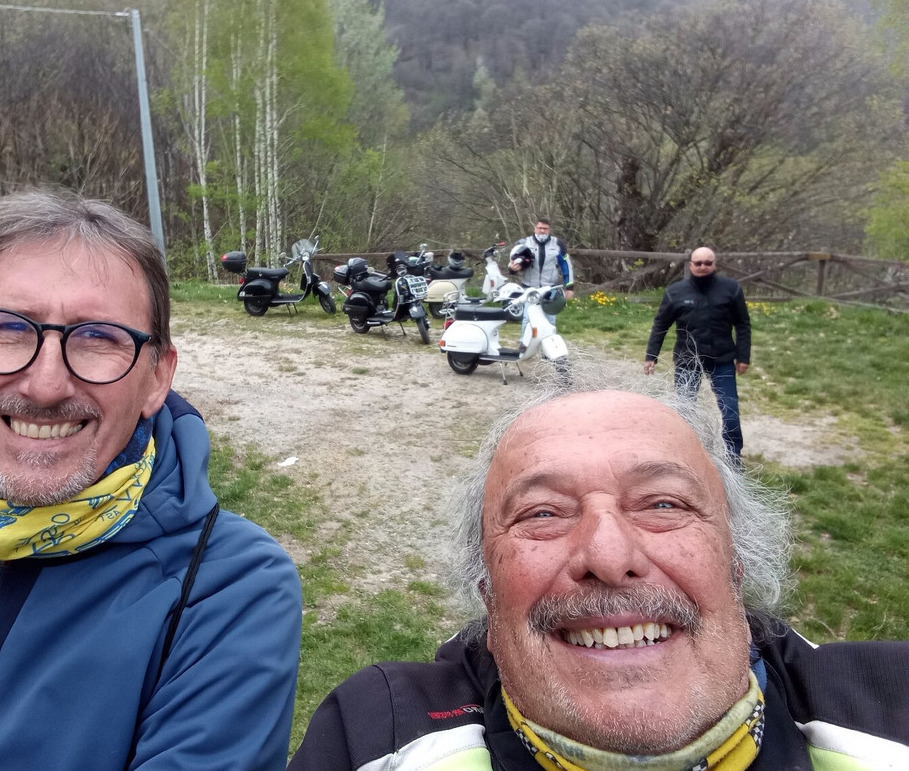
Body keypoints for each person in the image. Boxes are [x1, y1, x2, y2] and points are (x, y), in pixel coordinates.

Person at [0, 191, 302, 771]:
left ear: (157, 378)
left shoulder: (227, 589)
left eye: (99, 337)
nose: (46, 385)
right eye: (7, 328)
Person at [288, 370, 909, 770]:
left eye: (663, 504)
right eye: (543, 513)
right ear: (487, 592)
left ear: (737, 564)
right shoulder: (374, 737)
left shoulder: (891, 710)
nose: (610, 558)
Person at [644, 246, 751, 462]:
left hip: (722, 359)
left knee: (730, 410)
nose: (703, 267)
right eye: (698, 263)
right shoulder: (675, 292)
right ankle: (685, 452)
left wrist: (743, 356)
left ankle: (733, 455)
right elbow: (661, 325)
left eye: (708, 263)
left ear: (714, 265)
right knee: (684, 410)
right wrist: (651, 356)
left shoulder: (731, 289)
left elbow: (743, 324)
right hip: (687, 360)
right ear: (691, 265)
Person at [508, 219, 576, 316]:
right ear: (535, 228)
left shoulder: (558, 244)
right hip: (529, 289)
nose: (542, 231)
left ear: (549, 230)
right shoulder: (524, 243)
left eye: (545, 228)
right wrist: (512, 269)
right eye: (540, 228)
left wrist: (569, 287)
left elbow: (566, 266)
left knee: (549, 319)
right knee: (528, 318)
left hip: (550, 289)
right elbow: (513, 264)